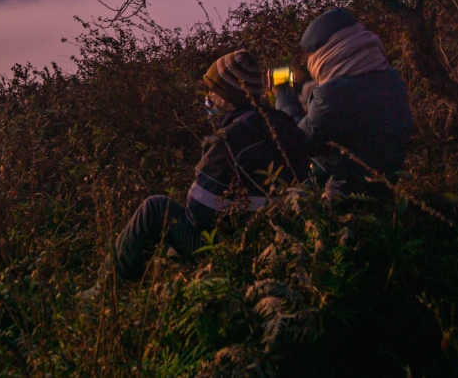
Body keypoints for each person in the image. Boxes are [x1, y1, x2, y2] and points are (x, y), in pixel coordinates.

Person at [110, 50, 310, 282]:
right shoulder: (284, 125)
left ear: (225, 97)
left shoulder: (227, 140)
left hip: (232, 249)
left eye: (211, 92)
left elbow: (197, 214)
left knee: (155, 208)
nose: (207, 98)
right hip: (279, 242)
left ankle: (107, 286)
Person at [274, 8, 414, 194]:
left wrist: (284, 95)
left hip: (343, 190)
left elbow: (298, 141)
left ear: (329, 52)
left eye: (311, 56)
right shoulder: (389, 76)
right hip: (386, 181)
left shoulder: (333, 94)